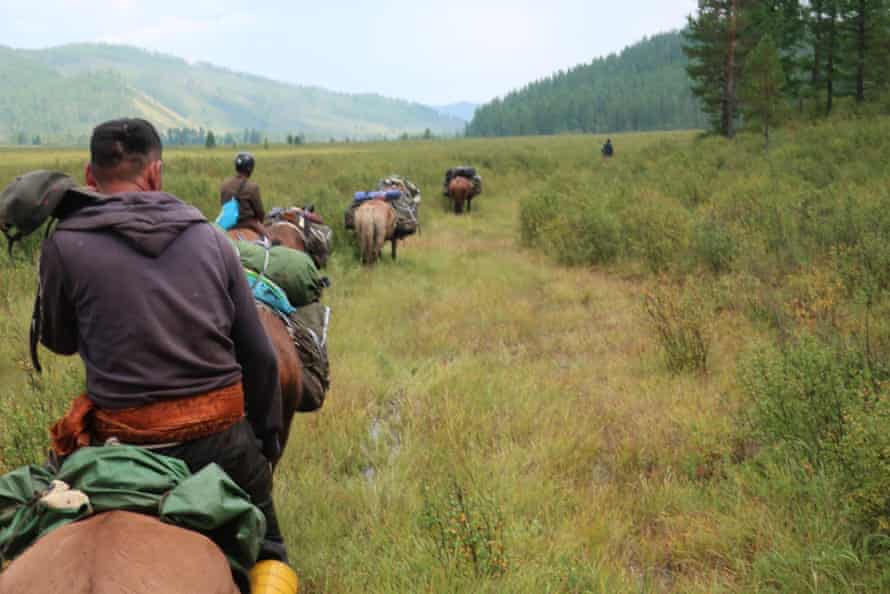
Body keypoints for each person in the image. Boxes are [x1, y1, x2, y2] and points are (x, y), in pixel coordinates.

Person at [38, 118, 295, 593]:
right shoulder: (213, 240)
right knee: (269, 550)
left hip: (116, 443)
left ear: (89, 176)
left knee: (35, 514)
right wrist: (262, 443)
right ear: (155, 173)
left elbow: (60, 341)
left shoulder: (63, 244)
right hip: (217, 441)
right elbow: (259, 356)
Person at [220, 152, 266, 235]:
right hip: (248, 223)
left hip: (227, 223)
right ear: (250, 168)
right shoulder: (252, 187)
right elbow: (260, 212)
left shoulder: (224, 184)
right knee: (269, 241)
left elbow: (223, 205)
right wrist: (260, 221)